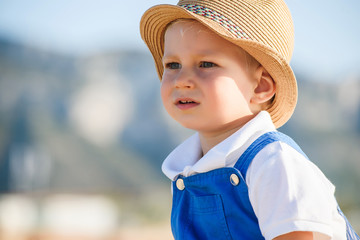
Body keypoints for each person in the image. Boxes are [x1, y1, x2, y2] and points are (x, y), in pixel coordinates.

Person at [140, 0, 360, 239]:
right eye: (173, 64)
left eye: (206, 64)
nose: (181, 79)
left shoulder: (274, 163)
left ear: (261, 86)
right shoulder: (186, 172)